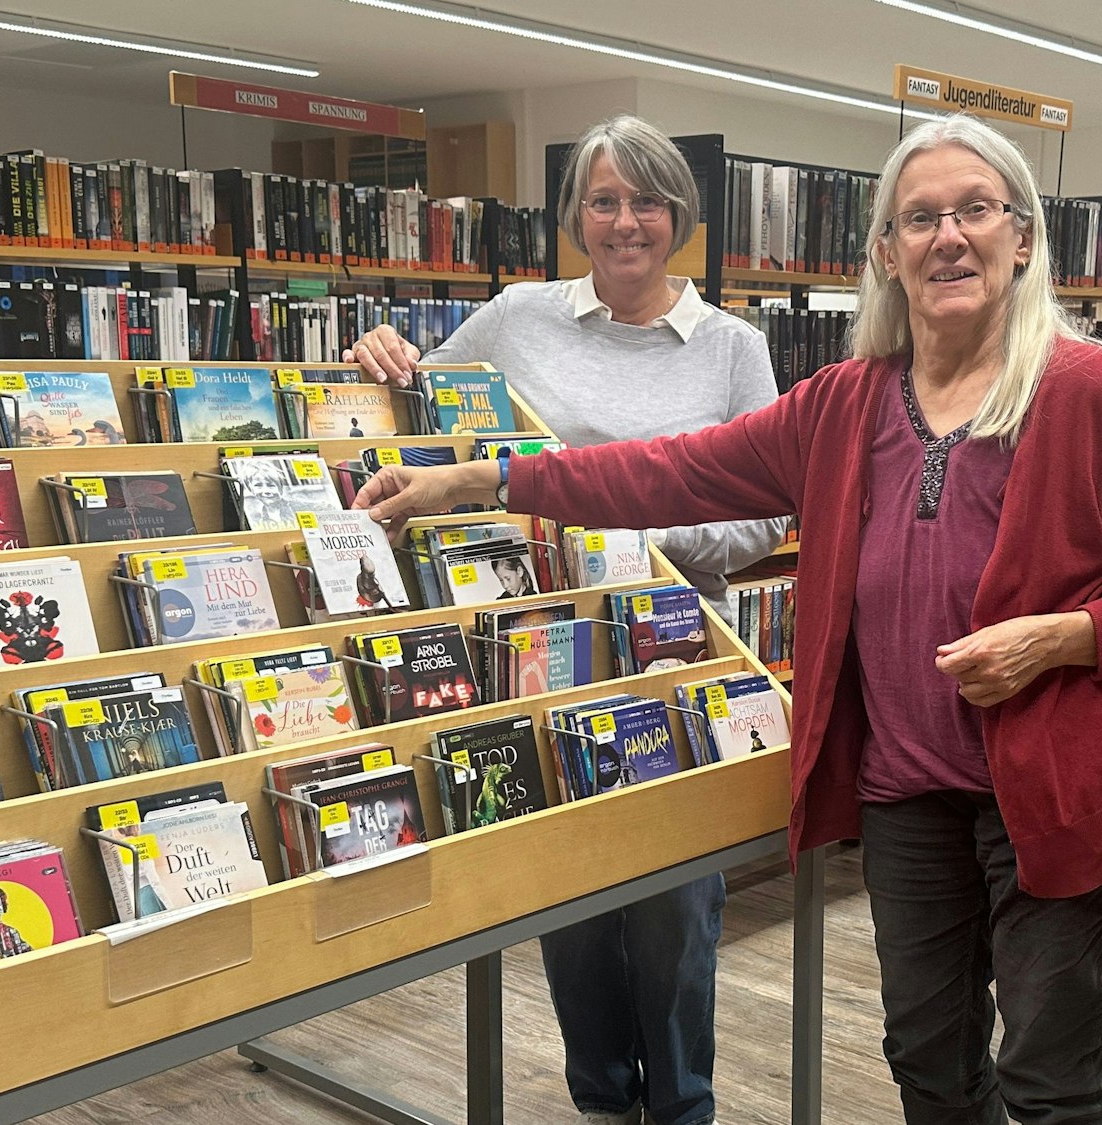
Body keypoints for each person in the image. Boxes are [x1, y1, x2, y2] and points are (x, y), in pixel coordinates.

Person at [354, 113, 1102, 1125]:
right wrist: (478, 478)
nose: (946, 236)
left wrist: (1063, 637)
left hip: (1055, 793)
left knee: (1055, 1082)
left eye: (973, 211)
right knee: (927, 1059)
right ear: (885, 252)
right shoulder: (844, 401)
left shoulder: (1092, 392)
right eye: (918, 218)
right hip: (907, 792)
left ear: (1022, 238)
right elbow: (665, 471)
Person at [346, 114, 787, 1125]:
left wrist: (650, 542)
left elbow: (769, 509)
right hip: (537, 650)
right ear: (573, 217)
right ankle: (598, 1097)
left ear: (678, 214)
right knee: (568, 904)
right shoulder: (515, 316)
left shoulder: (733, 348)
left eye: (644, 201)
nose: (624, 223)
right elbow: (429, 412)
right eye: (602, 201)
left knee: (676, 906)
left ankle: (679, 1107)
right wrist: (382, 351)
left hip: (678, 652)